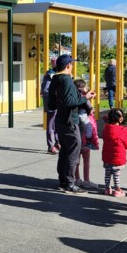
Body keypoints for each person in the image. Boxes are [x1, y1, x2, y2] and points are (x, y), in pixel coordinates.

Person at [49, 54, 93, 194]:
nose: (72, 66)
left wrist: (76, 96)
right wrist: (85, 97)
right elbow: (69, 102)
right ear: (68, 65)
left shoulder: (55, 80)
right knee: (73, 151)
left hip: (60, 120)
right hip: (70, 121)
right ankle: (69, 184)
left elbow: (51, 104)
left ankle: (63, 181)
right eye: (72, 64)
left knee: (65, 151)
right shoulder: (66, 80)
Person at [101, 108, 127, 197]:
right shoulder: (122, 130)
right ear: (121, 119)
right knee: (116, 174)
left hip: (107, 156)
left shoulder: (106, 129)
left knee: (107, 173)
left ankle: (107, 188)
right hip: (118, 157)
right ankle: (117, 189)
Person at [41, 67, 59, 154]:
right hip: (51, 103)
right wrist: (56, 93)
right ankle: (50, 146)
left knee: (57, 124)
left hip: (58, 103)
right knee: (51, 126)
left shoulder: (58, 75)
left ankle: (57, 142)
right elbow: (45, 90)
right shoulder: (49, 76)